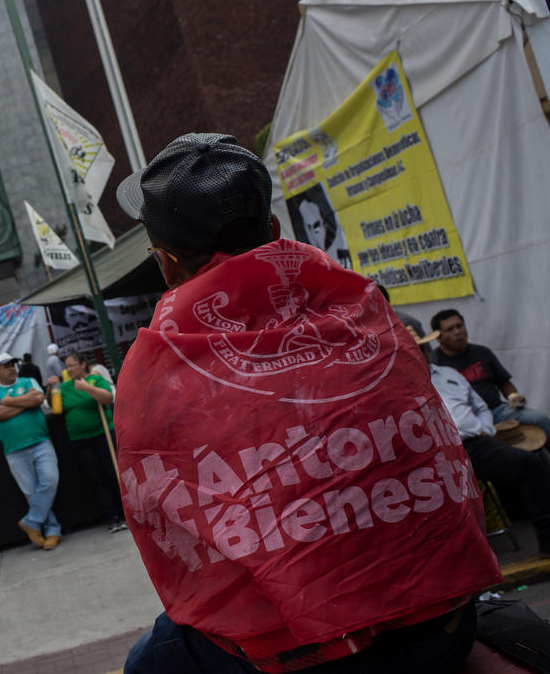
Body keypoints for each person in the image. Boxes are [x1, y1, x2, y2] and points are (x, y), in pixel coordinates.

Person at [112, 133, 500, 673]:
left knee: (144, 664)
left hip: (306, 660)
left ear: (167, 266)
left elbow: (174, 528)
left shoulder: (155, 368)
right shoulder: (370, 309)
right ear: (274, 231)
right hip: (444, 626)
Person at [417, 329, 550, 558]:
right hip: (438, 455)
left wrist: (485, 428)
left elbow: (479, 407)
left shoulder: (449, 373)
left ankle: (547, 542)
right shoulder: (405, 385)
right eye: (416, 350)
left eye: (422, 348)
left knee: (530, 463)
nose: (421, 353)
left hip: (476, 444)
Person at [430, 309, 550, 442]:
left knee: (539, 419)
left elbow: (503, 383)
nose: (457, 332)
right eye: (450, 329)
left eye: (459, 326)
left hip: (498, 411)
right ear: (439, 338)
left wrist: (513, 397)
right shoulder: (435, 364)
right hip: (466, 421)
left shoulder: (481, 352)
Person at [0, 353, 63, 550]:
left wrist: (9, 402)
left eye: (13, 364)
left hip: (40, 442)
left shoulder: (28, 381)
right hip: (14, 450)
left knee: (49, 480)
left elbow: (37, 398)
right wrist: (24, 404)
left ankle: (32, 522)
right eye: (5, 366)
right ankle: (52, 531)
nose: (12, 368)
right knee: (31, 492)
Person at [47, 353, 125, 532]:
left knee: (113, 473)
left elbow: (107, 398)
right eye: (67, 366)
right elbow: (56, 409)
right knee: (96, 477)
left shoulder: (94, 380)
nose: (69, 370)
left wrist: (87, 388)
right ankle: (111, 517)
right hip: (80, 439)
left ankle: (125, 513)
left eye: (72, 365)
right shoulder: (65, 387)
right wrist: (50, 389)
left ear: (83, 364)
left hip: (102, 434)